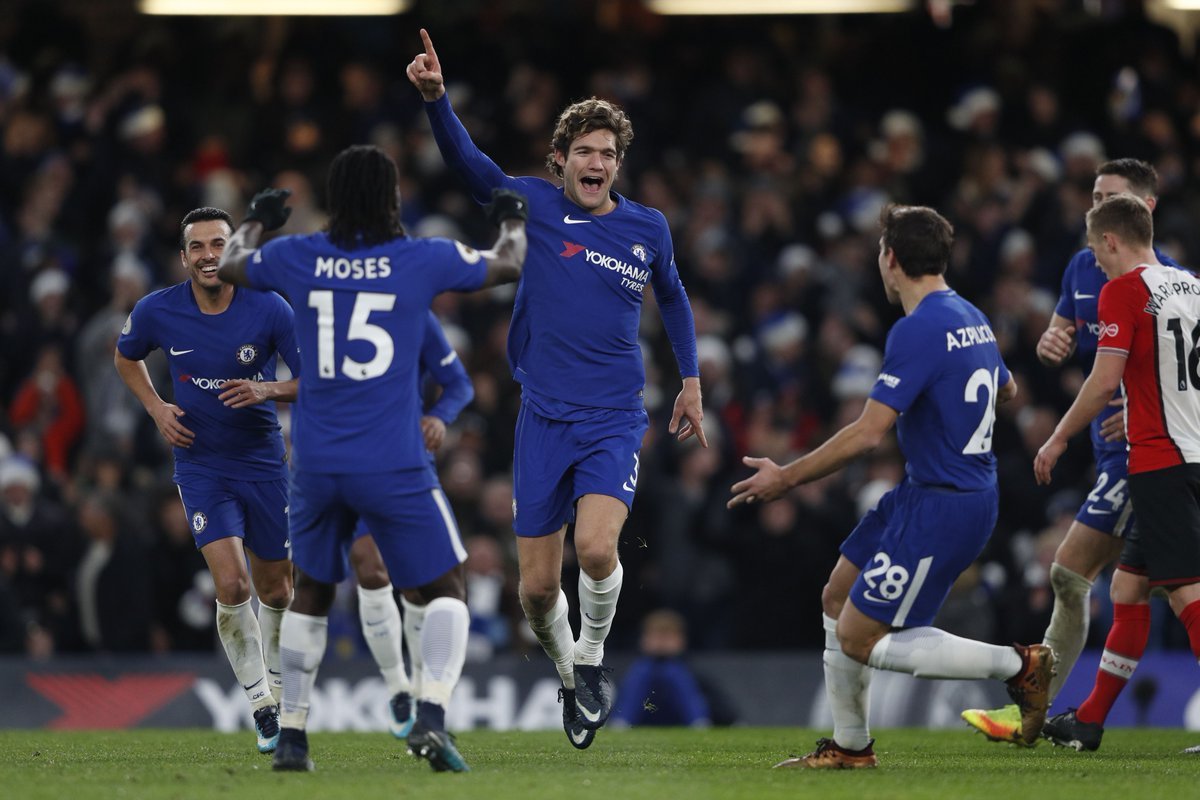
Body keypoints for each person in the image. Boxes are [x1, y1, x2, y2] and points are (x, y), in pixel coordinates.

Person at [407, 28, 706, 751]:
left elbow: (672, 297)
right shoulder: (534, 207)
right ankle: (571, 675)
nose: (596, 162)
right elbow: (471, 165)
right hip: (541, 417)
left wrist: (691, 379)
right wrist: (437, 101)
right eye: (584, 151)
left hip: (613, 417)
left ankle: (592, 657)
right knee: (537, 592)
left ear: (618, 163)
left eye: (607, 153)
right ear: (561, 159)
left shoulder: (648, 228)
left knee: (598, 550)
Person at [216, 143, 527, 773]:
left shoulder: (299, 255)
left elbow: (230, 262)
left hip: (316, 462)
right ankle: (430, 714)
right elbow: (509, 263)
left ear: (335, 199)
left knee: (312, 593)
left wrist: (256, 219)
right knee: (447, 588)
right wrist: (512, 216)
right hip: (392, 461)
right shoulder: (419, 258)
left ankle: (293, 738)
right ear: (392, 198)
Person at [728, 205, 1054, 768]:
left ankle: (1020, 665)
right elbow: (1007, 389)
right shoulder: (970, 314)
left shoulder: (918, 327)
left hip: (946, 502)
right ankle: (851, 747)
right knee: (836, 597)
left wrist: (787, 477)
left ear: (891, 259)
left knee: (859, 637)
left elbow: (867, 434)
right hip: (924, 490)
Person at [962, 158, 1181, 744]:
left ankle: (1034, 712)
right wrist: (1050, 342)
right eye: (1093, 195)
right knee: (1136, 587)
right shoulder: (1085, 267)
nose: (1094, 207)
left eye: (1108, 198)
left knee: (1073, 572)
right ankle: (1081, 721)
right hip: (1116, 450)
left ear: (1141, 210)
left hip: (1148, 452)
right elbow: (1062, 335)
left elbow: (1146, 375)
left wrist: (1139, 411)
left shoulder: (1161, 283)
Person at [115, 206, 300, 754]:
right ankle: (262, 704)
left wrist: (267, 389)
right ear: (183, 257)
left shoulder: (270, 307)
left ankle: (280, 687)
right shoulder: (157, 309)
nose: (208, 255)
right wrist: (156, 407)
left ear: (234, 250)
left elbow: (316, 378)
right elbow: (126, 357)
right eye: (197, 246)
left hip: (263, 462)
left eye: (218, 244)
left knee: (277, 589)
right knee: (233, 584)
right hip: (201, 464)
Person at [1033, 194, 1200, 753]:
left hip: (1161, 463)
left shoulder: (1123, 291)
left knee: (1186, 593)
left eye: (1095, 250)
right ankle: (1089, 722)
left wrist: (1059, 436)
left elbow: (1104, 381)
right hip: (1191, 454)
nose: (1095, 263)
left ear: (1110, 240)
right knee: (1128, 587)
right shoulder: (1194, 287)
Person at [348, 311, 474, 740]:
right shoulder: (323, 306)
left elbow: (459, 384)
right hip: (343, 462)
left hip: (407, 465)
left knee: (420, 590)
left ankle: (422, 690)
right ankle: (397, 686)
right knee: (370, 568)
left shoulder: (414, 313)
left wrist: (439, 416)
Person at [610, 608, 712, 728]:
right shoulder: (636, 671)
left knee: (673, 671)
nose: (661, 643)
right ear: (643, 640)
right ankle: (620, 722)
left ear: (681, 640)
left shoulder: (691, 672)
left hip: (678, 719)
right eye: (656, 636)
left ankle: (699, 723)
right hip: (642, 719)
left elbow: (710, 701)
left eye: (667, 637)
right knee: (643, 670)